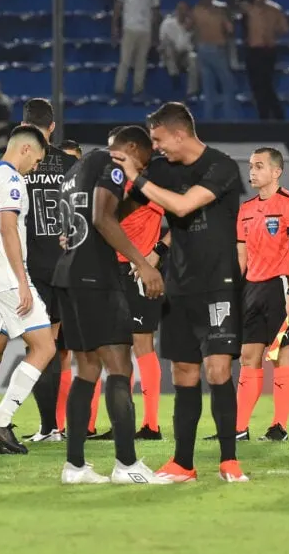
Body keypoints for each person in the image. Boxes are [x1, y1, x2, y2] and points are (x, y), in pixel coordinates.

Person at [109, 102, 247, 483]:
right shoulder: (160, 172)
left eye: (157, 139)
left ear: (178, 133)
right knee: (183, 372)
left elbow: (184, 207)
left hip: (217, 283)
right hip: (178, 285)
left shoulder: (221, 166)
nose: (155, 147)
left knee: (218, 369)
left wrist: (137, 178)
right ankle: (183, 463)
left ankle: (229, 460)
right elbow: (121, 207)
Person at [55, 126, 167, 484]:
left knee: (86, 369)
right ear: (132, 148)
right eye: (143, 161)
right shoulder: (113, 163)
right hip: (96, 277)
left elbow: (73, 226)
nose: (140, 170)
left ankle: (74, 467)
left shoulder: (76, 170)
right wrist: (144, 263)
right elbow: (103, 218)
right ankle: (127, 464)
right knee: (119, 368)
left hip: (68, 275)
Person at [0, 126, 56, 455]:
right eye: (35, 160)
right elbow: (8, 228)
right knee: (45, 346)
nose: (34, 168)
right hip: (7, 276)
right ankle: (1, 420)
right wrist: (22, 281)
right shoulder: (10, 180)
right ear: (24, 149)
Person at [230, 147, 289, 442]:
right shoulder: (246, 209)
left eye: (259, 166)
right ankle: (239, 428)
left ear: (276, 172)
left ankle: (279, 427)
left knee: (279, 355)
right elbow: (241, 256)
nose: (252, 171)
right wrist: (233, 290)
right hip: (251, 288)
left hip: (280, 287)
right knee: (248, 355)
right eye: (251, 166)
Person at [11, 99, 78, 444]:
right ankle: (74, 425)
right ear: (52, 127)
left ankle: (49, 425)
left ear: (23, 124)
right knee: (74, 350)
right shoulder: (71, 164)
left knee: (39, 348)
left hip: (32, 269)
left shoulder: (16, 165)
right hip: (70, 267)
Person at [108, 125, 167, 441]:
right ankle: (117, 423)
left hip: (138, 271)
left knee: (143, 344)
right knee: (112, 348)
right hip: (110, 270)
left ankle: (151, 424)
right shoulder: (116, 181)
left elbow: (181, 220)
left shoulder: (150, 184)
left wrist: (156, 253)